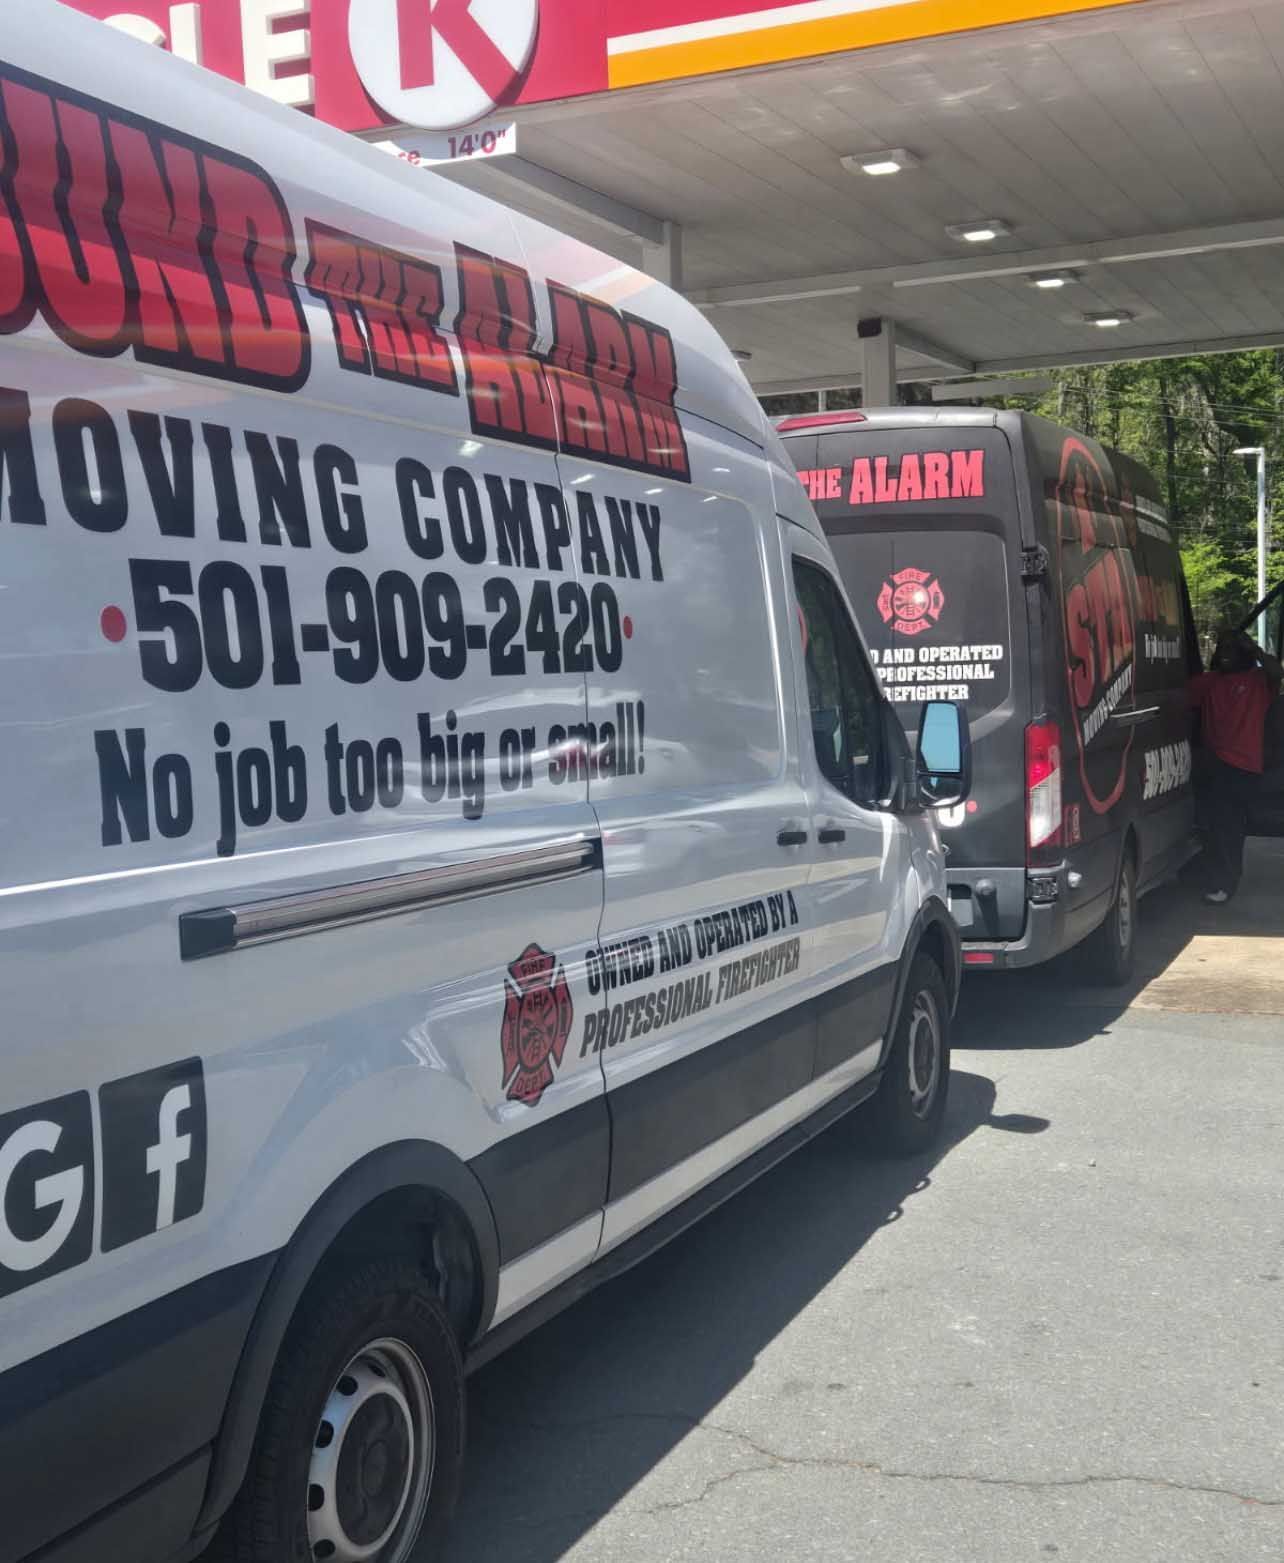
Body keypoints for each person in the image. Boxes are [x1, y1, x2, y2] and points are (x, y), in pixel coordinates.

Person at [1188, 628, 1283, 903]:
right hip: (1212, 763)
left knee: (1228, 827)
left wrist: (1255, 650)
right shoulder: (1209, 683)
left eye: (1232, 648)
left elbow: (1276, 671)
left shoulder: (1258, 682)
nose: (1226, 653)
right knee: (1211, 825)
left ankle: (1225, 883)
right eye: (1223, 648)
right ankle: (1212, 877)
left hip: (1243, 766)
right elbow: (1174, 697)